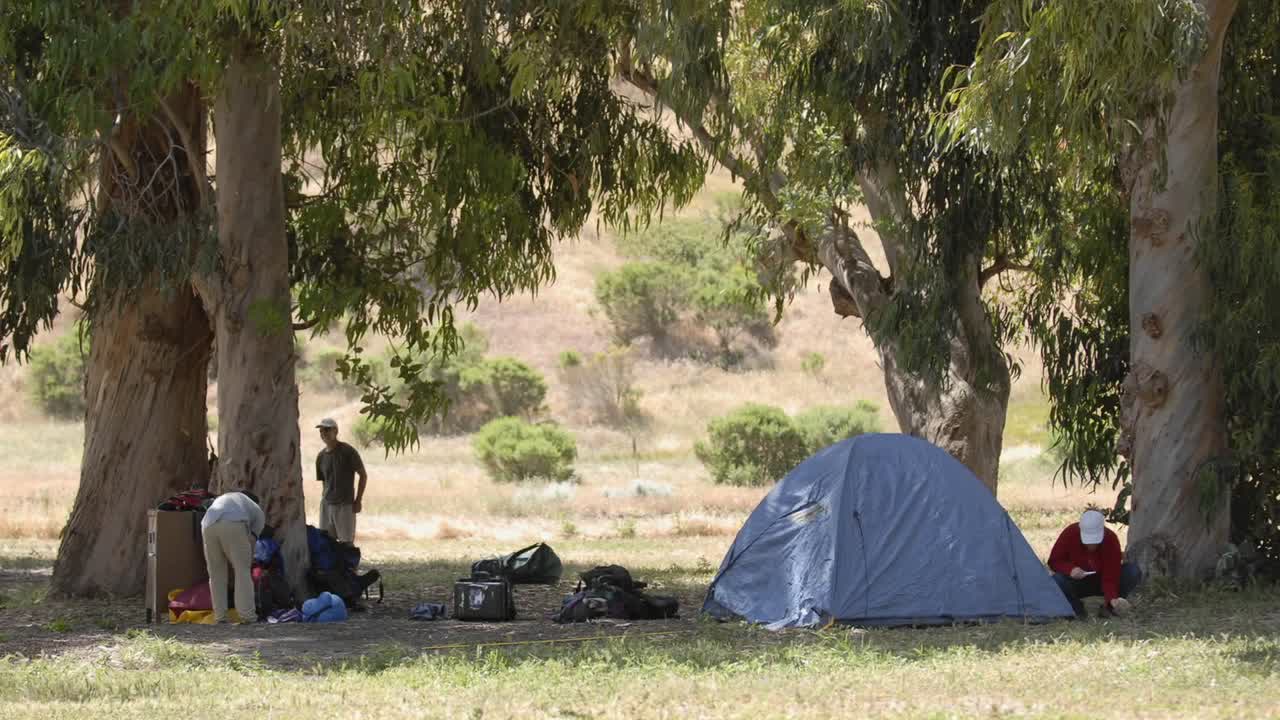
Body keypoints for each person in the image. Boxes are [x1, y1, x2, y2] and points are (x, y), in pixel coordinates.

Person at [1048, 508, 1143, 618]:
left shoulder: (1111, 539)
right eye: (1087, 541)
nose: (1091, 545)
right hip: (1077, 582)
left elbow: (1111, 574)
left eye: (1095, 541)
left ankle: (1110, 608)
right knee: (1057, 580)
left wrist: (1112, 598)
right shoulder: (1070, 533)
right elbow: (1054, 561)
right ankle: (1076, 609)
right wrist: (1070, 569)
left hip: (1102, 581)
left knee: (1132, 571)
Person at [201, 490, 265, 624]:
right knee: (242, 571)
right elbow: (251, 541)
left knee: (216, 574)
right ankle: (247, 616)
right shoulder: (257, 511)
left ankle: (220, 617)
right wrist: (249, 560)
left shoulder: (228, 499)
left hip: (207, 524)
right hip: (233, 522)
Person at [315, 417, 367, 543]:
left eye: (327, 430)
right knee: (326, 543)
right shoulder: (321, 456)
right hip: (327, 505)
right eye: (321, 431)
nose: (323, 433)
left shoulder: (348, 451)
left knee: (346, 543)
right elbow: (324, 482)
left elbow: (363, 475)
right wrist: (325, 501)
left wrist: (358, 500)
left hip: (345, 505)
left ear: (336, 431)